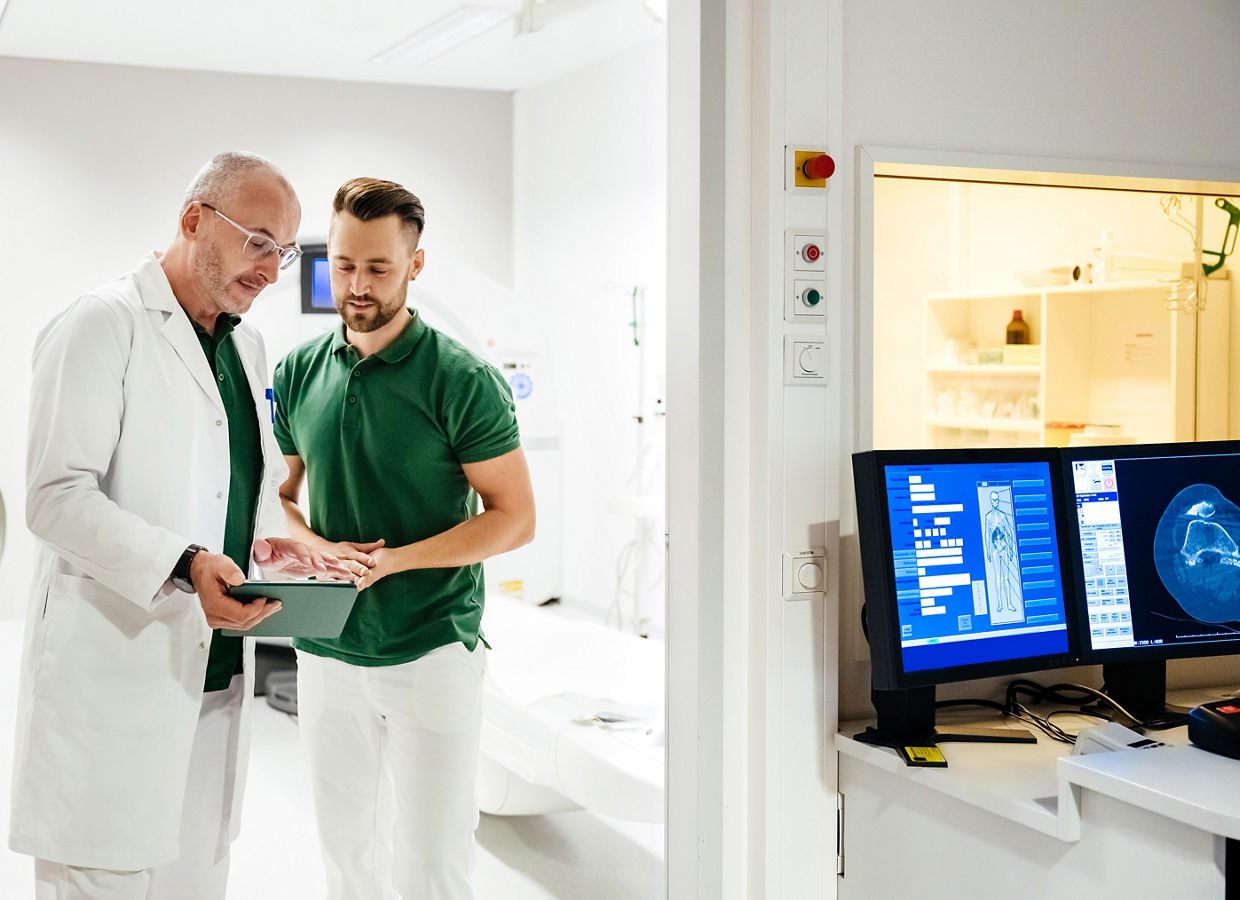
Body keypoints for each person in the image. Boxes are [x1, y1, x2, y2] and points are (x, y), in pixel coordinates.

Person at [9, 151, 358, 900]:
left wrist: (280, 547)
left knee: (194, 882)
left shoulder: (246, 345)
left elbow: (241, 485)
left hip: (214, 676)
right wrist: (186, 560)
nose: (272, 269)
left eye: (285, 251)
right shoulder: (102, 325)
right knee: (103, 880)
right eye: (258, 241)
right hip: (115, 673)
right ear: (194, 219)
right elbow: (54, 496)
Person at [273, 176, 536, 899]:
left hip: (431, 646)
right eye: (345, 263)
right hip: (325, 645)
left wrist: (394, 564)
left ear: (415, 265)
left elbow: (514, 517)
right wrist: (317, 548)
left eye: (378, 267)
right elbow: (282, 497)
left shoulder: (462, 380)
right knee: (347, 854)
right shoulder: (298, 371)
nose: (356, 284)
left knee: (431, 863)